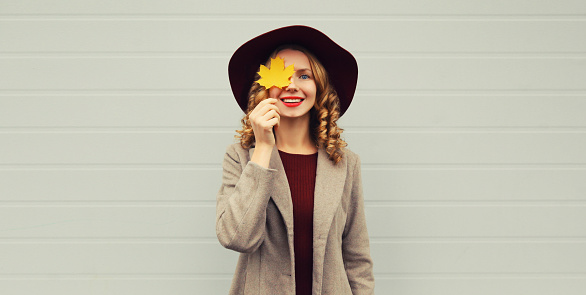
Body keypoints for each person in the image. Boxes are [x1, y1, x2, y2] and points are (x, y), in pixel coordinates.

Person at [216, 25, 374, 295]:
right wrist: (263, 148)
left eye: (304, 75)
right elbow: (236, 237)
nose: (291, 85)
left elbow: (356, 256)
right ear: (263, 88)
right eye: (282, 75)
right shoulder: (240, 156)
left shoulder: (346, 163)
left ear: (319, 87)